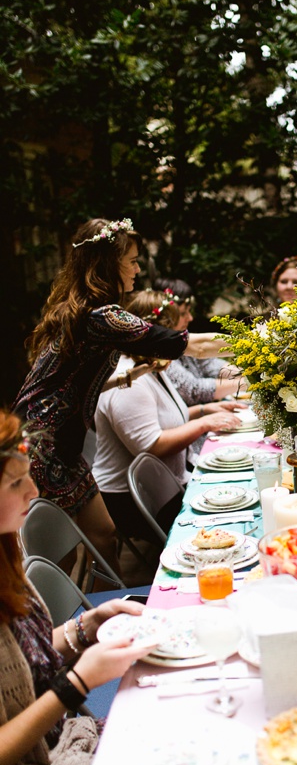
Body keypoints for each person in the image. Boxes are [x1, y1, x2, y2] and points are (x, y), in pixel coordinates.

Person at [13, 219, 228, 575]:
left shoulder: (83, 311)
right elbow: (197, 345)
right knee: (59, 555)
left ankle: (104, 608)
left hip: (59, 443)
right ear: (107, 264)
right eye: (132, 260)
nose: (138, 269)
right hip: (42, 446)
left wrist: (129, 376)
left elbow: (70, 381)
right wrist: (261, 341)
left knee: (103, 534)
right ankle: (65, 623)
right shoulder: (102, 317)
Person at [0, 411, 156, 765]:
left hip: (60, 747)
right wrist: (78, 683)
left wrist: (85, 627)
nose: (32, 494)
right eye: (16, 485)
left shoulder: (5, 552)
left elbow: (21, 661)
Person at [93, 290, 245, 544]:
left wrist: (206, 410)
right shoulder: (129, 381)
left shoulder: (151, 366)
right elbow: (152, 446)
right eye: (171, 334)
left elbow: (169, 416)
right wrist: (204, 423)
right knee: (231, 513)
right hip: (132, 499)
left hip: (165, 486)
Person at [153, 278, 246, 434]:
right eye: (183, 313)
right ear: (166, 315)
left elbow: (212, 366)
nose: (190, 318)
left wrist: (253, 370)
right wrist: (249, 382)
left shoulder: (180, 338)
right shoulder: (157, 352)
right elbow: (194, 391)